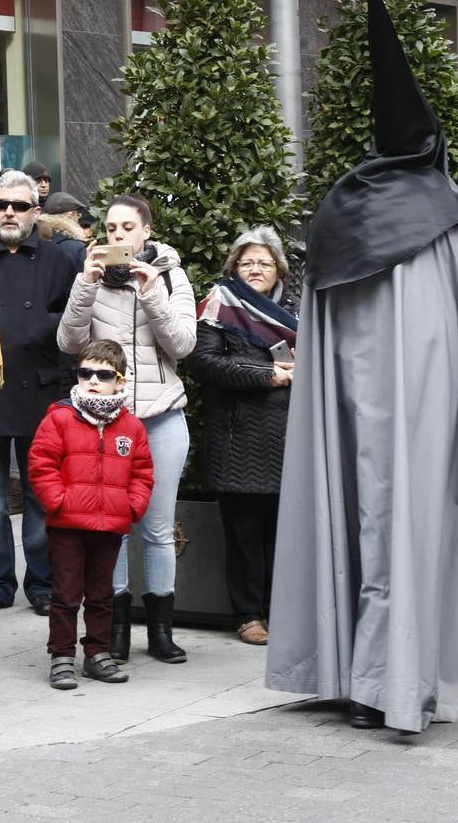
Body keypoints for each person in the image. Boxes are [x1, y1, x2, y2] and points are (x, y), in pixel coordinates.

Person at [264, 0, 458, 734]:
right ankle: (396, 678)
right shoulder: (452, 221)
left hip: (353, 411)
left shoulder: (338, 213)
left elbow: (320, 320)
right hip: (428, 411)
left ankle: (362, 677)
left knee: (363, 515)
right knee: (418, 520)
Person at [56, 193, 195, 663]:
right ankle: (111, 629)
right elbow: (69, 342)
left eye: (127, 228)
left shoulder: (171, 276)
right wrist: (84, 287)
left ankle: (160, 632)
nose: (117, 236)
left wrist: (150, 291)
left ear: (146, 232)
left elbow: (183, 344)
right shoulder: (90, 279)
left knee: (156, 529)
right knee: (110, 528)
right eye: (110, 229)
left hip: (162, 416)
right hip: (106, 422)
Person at [0, 169, 79, 616]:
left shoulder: (58, 259)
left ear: (36, 211)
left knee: (39, 495)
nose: (9, 213)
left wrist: (39, 331)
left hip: (41, 393)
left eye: (19, 205)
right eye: (2, 205)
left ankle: (43, 584)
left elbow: (75, 325)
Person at [189, 226, 298, 647]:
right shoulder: (220, 304)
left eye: (264, 263)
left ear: (279, 269)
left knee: (284, 532)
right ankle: (249, 614)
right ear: (234, 267)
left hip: (290, 434)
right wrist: (270, 374)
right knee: (245, 533)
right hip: (239, 438)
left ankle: (282, 611)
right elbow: (205, 363)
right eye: (247, 262)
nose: (255, 269)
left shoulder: (298, 307)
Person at [29, 339, 153, 691]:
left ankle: (98, 653)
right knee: (66, 594)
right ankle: (62, 656)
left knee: (102, 594)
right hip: (67, 524)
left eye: (103, 373)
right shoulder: (60, 418)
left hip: (109, 525)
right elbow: (41, 464)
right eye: (86, 372)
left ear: (121, 381)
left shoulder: (131, 427)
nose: (93, 380)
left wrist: (132, 507)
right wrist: (58, 501)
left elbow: (143, 472)